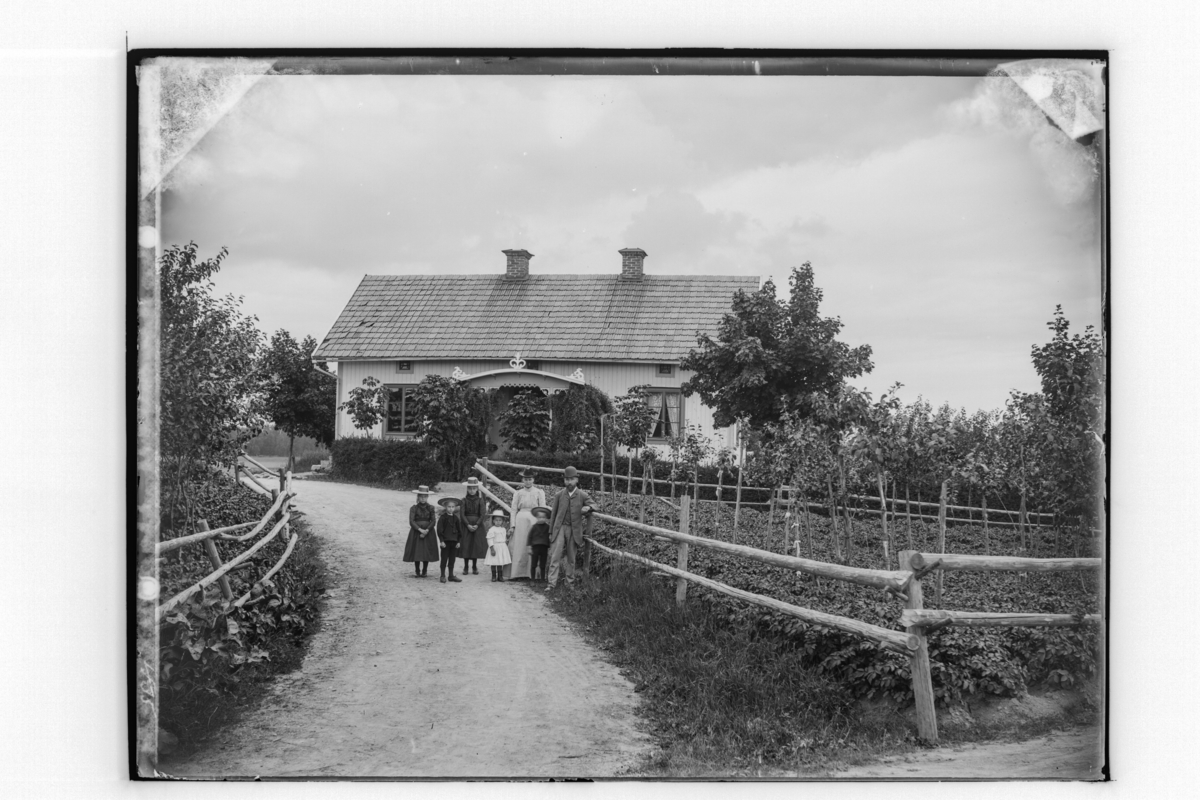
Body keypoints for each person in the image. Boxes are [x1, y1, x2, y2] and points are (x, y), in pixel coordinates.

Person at [545, 466, 595, 590]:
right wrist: (551, 531)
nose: (569, 482)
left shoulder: (582, 495)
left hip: (574, 530)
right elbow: (553, 514)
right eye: (567, 480)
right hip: (559, 528)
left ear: (576, 480)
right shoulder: (559, 495)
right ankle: (551, 583)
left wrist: (589, 508)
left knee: (571, 558)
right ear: (564, 481)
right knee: (555, 556)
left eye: (572, 479)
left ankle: (569, 583)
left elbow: (595, 505)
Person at [505, 468, 546, 580]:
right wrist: (512, 526)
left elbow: (542, 509)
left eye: (530, 479)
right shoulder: (518, 493)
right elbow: (513, 510)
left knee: (533, 544)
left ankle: (532, 573)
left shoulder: (539, 492)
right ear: (522, 480)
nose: (528, 481)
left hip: (534, 520)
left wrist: (541, 524)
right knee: (519, 545)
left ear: (533, 480)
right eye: (526, 479)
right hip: (520, 520)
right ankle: (517, 573)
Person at [402, 486, 439, 578]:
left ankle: (425, 570)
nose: (423, 498)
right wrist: (420, 530)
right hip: (416, 532)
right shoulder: (413, 508)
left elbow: (433, 521)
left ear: (427, 497)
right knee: (417, 551)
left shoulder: (430, 508)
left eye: (425, 496)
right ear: (418, 497)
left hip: (428, 532)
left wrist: (427, 530)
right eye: (421, 496)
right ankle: (417, 570)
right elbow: (411, 521)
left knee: (426, 551)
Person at [459, 477, 488, 575]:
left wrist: (477, 524)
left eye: (474, 488)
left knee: (475, 545)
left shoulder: (480, 500)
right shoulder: (463, 500)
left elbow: (482, 514)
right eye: (470, 488)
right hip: (466, 525)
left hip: (477, 526)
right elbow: (462, 514)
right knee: (466, 545)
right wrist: (467, 524)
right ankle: (466, 566)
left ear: (477, 489)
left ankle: (474, 566)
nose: (472, 490)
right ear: (467, 489)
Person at [436, 497, 464, 583]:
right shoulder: (443, 518)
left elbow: (460, 531)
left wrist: (458, 541)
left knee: (452, 559)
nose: (451, 509)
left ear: (455, 507)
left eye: (452, 507)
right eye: (449, 507)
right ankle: (442, 575)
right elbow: (439, 530)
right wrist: (441, 541)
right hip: (445, 542)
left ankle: (451, 575)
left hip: (454, 542)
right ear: (445, 507)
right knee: (444, 559)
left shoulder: (456, 518)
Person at [484, 508, 512, 582]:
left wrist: (508, 535)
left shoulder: (503, 529)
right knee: (494, 562)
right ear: (493, 521)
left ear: (502, 521)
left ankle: (500, 576)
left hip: (502, 547)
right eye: (496, 520)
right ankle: (493, 576)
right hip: (495, 546)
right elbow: (489, 539)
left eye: (500, 520)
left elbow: (505, 538)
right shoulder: (492, 529)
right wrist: (492, 548)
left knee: (500, 562)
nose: (498, 522)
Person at [527, 505, 552, 582]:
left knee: (542, 565)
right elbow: (529, 537)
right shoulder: (534, 527)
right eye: (540, 517)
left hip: (544, 547)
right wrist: (529, 547)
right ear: (536, 518)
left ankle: (542, 580)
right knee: (533, 564)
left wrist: (550, 547)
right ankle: (532, 579)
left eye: (543, 517)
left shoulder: (548, 527)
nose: (541, 519)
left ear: (546, 518)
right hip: (535, 547)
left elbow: (550, 537)